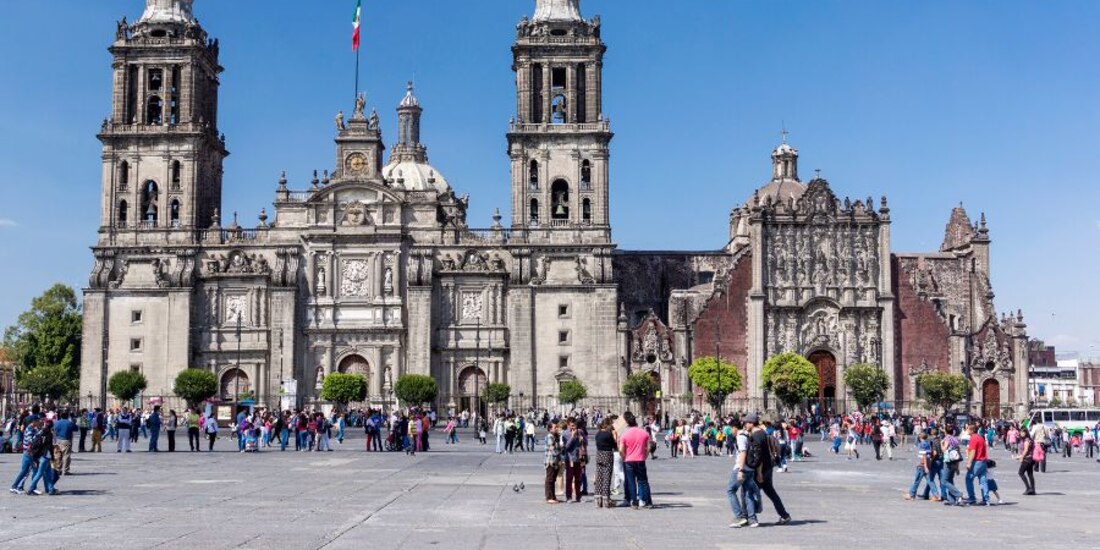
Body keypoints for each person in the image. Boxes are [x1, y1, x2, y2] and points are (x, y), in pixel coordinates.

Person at [727, 418, 758, 528]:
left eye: (731, 429)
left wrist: (740, 470)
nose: (730, 431)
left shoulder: (740, 437)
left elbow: (743, 453)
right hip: (750, 468)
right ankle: (752, 519)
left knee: (730, 490)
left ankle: (740, 516)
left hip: (742, 467)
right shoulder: (747, 435)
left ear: (735, 428)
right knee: (748, 493)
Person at [618, 411, 653, 509]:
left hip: (629, 460)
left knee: (631, 482)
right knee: (643, 481)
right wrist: (645, 456)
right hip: (640, 459)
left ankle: (634, 502)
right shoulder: (644, 433)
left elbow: (621, 450)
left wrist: (624, 457)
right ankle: (647, 501)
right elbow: (649, 447)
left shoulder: (624, 434)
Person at [9, 414, 42, 494]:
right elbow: (31, 440)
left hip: (26, 452)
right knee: (35, 470)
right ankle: (32, 488)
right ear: (34, 421)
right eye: (38, 421)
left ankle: (14, 486)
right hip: (29, 453)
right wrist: (39, 434)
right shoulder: (30, 429)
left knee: (24, 471)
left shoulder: (33, 429)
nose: (39, 422)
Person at [964, 422, 990, 506]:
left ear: (971, 430)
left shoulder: (973, 438)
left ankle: (972, 498)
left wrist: (969, 463)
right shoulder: (980, 437)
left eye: (967, 428)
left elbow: (973, 451)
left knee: (969, 478)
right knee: (983, 480)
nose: (966, 430)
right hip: (983, 461)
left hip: (977, 461)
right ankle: (986, 499)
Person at [593, 418, 616, 508]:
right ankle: (606, 500)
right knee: (607, 477)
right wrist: (615, 436)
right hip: (607, 455)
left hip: (599, 455)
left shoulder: (598, 434)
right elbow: (614, 446)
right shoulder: (609, 434)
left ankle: (598, 500)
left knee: (599, 477)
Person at [544, 422, 563, 504]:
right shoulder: (549, 436)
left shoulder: (555, 436)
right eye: (555, 427)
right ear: (550, 429)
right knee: (550, 479)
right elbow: (552, 449)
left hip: (555, 460)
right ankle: (549, 497)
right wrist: (560, 451)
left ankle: (553, 496)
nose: (557, 429)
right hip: (550, 460)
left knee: (553, 479)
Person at [1016, 429, 1038, 496]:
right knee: (1030, 474)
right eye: (1021, 432)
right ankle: (1033, 489)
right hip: (1031, 459)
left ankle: (1028, 488)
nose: (1021, 433)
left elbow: (1026, 450)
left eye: (1022, 432)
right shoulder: (1029, 440)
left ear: (1026, 433)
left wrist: (1022, 457)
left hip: (1027, 459)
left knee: (1021, 472)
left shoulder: (1026, 440)